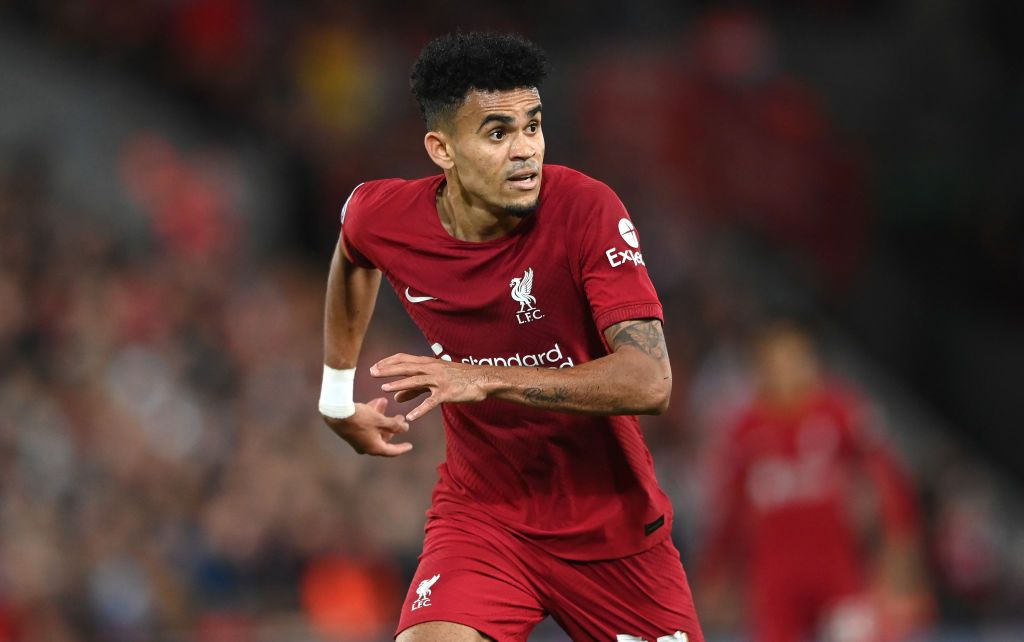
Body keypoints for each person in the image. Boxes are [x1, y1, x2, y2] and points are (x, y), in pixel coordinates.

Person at [317, 32, 704, 642]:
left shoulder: (586, 209)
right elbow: (353, 248)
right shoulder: (389, 217)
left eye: (533, 126)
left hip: (613, 531)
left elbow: (650, 379)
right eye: (498, 134)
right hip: (484, 521)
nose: (526, 151)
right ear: (441, 149)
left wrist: (484, 377)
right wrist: (335, 396)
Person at [697, 319, 931, 642]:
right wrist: (716, 569)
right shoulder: (744, 430)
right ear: (759, 367)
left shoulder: (841, 412)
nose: (784, 370)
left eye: (794, 358)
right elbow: (728, 508)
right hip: (775, 578)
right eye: (774, 361)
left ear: (812, 362)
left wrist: (899, 542)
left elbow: (888, 478)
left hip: (836, 569)